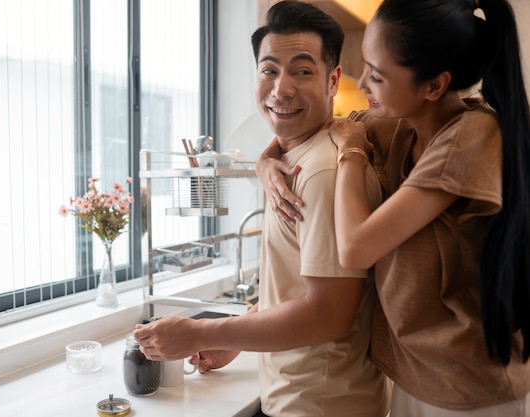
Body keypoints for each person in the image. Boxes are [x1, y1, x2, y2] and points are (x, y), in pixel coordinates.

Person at [256, 0, 530, 415]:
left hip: (467, 385)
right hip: (415, 371)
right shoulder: (405, 122)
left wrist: (351, 153)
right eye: (365, 66)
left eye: (378, 75)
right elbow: (312, 122)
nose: (363, 84)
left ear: (434, 86)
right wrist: (265, 163)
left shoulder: (470, 136)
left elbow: (355, 247)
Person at [133, 1, 391, 416]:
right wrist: (234, 338)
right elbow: (297, 289)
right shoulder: (293, 159)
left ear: (333, 80)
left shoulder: (324, 173)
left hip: (320, 405)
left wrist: (199, 333)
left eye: (302, 70)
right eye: (269, 69)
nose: (281, 88)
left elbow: (328, 314)